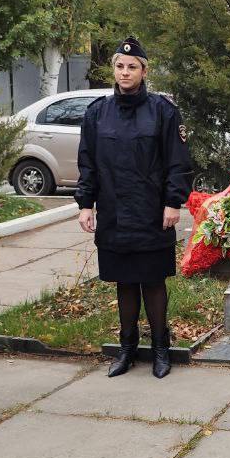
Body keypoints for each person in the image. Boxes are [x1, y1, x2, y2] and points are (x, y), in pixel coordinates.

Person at [76, 37, 193, 379]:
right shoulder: (98, 112)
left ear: (144, 72)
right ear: (114, 70)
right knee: (124, 283)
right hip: (113, 213)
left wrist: (173, 201)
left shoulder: (163, 111)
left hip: (152, 212)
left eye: (132, 67)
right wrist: (86, 204)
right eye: (120, 66)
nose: (125, 72)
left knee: (153, 282)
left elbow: (177, 162)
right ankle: (126, 350)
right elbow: (88, 164)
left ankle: (161, 350)